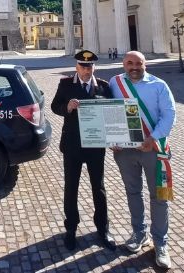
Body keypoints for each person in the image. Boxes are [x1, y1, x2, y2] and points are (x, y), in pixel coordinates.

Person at [108, 51, 176, 269]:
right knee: (133, 192)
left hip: (153, 149)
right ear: (123, 64)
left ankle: (161, 243)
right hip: (125, 151)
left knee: (160, 196)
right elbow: (108, 112)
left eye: (138, 63)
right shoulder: (115, 82)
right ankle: (139, 234)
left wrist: (153, 138)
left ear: (144, 64)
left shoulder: (159, 85)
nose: (134, 67)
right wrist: (110, 138)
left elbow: (169, 114)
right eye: (129, 63)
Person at [51, 50, 116, 251]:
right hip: (72, 145)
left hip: (95, 146)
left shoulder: (104, 87)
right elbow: (55, 107)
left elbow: (112, 114)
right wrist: (67, 108)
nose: (86, 70)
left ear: (94, 67)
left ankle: (103, 229)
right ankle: (71, 229)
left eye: (90, 67)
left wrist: (115, 137)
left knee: (99, 188)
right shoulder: (66, 85)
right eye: (83, 66)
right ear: (76, 67)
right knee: (71, 187)